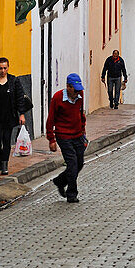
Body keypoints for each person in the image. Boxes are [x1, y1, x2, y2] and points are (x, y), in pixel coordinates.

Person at [0, 57, 31, 175]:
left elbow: (20, 98)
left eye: (5, 68)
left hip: (10, 116)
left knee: (6, 140)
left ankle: (4, 165)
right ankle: (0, 157)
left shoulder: (14, 81)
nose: (3, 70)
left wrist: (22, 114)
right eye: (0, 68)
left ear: (8, 68)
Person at [47, 73, 88, 204]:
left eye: (78, 90)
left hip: (78, 135)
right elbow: (50, 119)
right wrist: (51, 139)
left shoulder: (80, 95)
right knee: (72, 163)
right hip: (63, 135)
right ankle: (72, 194)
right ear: (68, 87)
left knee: (79, 163)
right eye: (75, 90)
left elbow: (81, 114)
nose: (77, 93)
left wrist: (83, 132)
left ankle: (60, 181)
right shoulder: (58, 98)